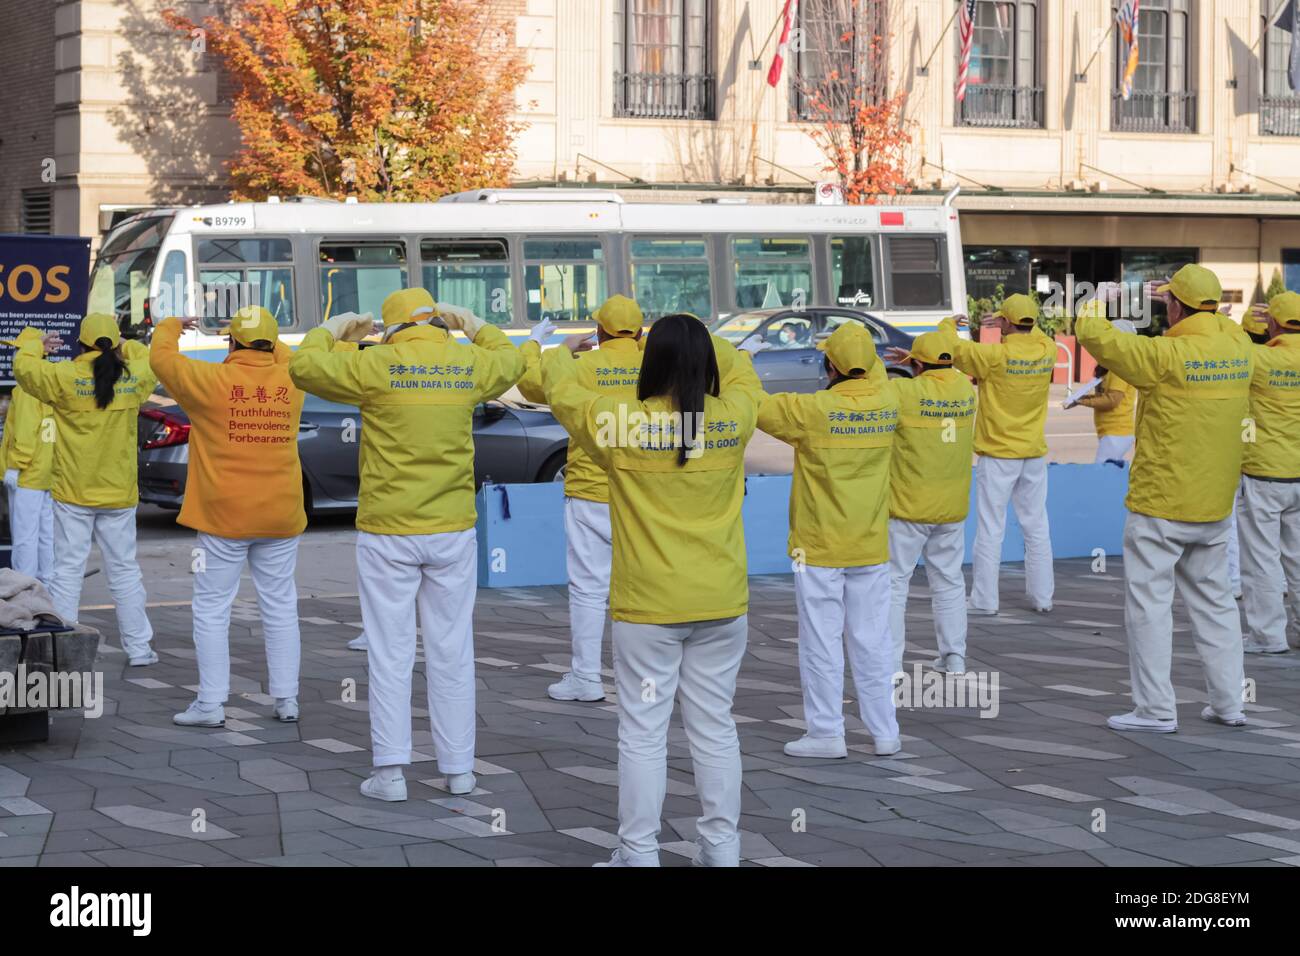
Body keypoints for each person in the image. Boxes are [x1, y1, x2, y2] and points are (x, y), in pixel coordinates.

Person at [541, 313, 763, 868]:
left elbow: (563, 393)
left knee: (643, 735)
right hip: (721, 604)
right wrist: (712, 348)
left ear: (649, 361)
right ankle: (721, 851)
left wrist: (557, 350)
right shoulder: (733, 418)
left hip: (649, 610)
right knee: (715, 729)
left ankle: (639, 854)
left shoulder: (621, 424)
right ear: (708, 361)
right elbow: (745, 375)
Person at [289, 288, 524, 800]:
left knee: (390, 652)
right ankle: (459, 769)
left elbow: (304, 367)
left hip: (388, 530)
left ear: (390, 329)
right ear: (439, 324)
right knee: (452, 649)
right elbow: (514, 359)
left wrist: (336, 329)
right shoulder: (466, 363)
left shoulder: (376, 364)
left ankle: (391, 773)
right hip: (452, 528)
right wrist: (476, 323)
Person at [1078, 266, 1253, 732]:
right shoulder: (1238, 347)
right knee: (1216, 605)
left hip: (1160, 504)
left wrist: (1103, 298)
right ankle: (1229, 703)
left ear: (1175, 307)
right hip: (1214, 503)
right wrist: (1187, 303)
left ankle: (1155, 709)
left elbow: (1095, 335)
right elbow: (1219, 321)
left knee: (1150, 606)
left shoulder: (1164, 354)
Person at [149, 307, 312, 726]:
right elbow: (287, 353)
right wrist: (267, 337)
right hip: (281, 514)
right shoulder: (292, 379)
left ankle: (210, 704)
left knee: (211, 608)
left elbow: (161, 358)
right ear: (274, 343)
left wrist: (171, 326)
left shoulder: (210, 382)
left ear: (231, 343)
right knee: (279, 606)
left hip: (222, 519)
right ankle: (287, 699)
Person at [754, 322, 901, 759]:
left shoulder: (811, 410)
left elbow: (755, 405)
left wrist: (741, 361)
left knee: (820, 642)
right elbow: (870, 376)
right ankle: (885, 732)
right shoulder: (889, 402)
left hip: (817, 547)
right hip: (870, 544)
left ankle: (826, 734)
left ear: (828, 366)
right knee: (873, 642)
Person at [516, 294, 644, 702]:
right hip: (645, 491)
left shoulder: (580, 367)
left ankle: (587, 677)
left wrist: (552, 348)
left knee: (589, 589)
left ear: (600, 332)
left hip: (590, 491)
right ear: (640, 333)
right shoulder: (659, 366)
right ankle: (642, 679)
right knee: (640, 589)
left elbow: (531, 384)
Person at [13, 314, 158, 665]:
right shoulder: (133, 377)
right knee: (124, 571)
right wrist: (127, 344)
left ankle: (64, 650)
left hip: (73, 492)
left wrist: (34, 340)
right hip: (118, 494)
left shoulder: (65, 377)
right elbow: (151, 359)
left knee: (66, 572)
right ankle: (139, 650)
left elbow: (24, 366)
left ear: (81, 344)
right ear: (114, 345)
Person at [936, 294, 1056, 616]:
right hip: (1033, 454)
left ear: (1005, 323)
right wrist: (1014, 320)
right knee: (1037, 526)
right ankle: (1043, 598)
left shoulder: (992, 356)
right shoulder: (1048, 350)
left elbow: (952, 349)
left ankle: (985, 601)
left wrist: (948, 324)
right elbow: (1035, 331)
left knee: (991, 528)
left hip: (999, 455)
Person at [882, 331, 977, 676]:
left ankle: (892, 665)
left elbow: (868, 380)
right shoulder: (966, 390)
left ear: (918, 365)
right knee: (949, 581)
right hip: (951, 507)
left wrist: (896, 364)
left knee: (894, 584)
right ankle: (954, 657)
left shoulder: (905, 392)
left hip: (908, 506)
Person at [1236, 291, 1300, 655]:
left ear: (1272, 323)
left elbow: (1228, 349)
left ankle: (1267, 636)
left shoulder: (1260, 359)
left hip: (1264, 473)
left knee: (1262, 558)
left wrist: (1241, 326)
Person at [2, 328, 56, 586]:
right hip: (48, 473)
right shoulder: (50, 382)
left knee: (24, 536)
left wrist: (15, 466)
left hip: (27, 475)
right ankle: (47, 589)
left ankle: (24, 592)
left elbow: (25, 430)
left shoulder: (25, 388)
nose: (14, 354)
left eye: (18, 350)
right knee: (46, 535)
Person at [1076, 365, 1137, 464]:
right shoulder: (1108, 367)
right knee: (1109, 474)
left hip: (1117, 432)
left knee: (1099, 474)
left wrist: (1083, 402)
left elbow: (1112, 400)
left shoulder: (1119, 369)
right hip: (1110, 433)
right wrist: (1081, 398)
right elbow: (1103, 396)